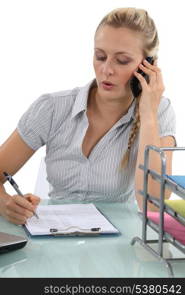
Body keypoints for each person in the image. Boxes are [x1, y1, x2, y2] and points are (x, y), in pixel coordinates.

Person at [0, 7, 176, 225]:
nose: (106, 69)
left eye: (121, 61)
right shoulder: (53, 108)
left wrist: (148, 115)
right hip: (55, 239)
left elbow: (152, 206)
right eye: (100, 56)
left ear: (148, 66)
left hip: (120, 247)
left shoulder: (160, 112)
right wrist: (4, 203)